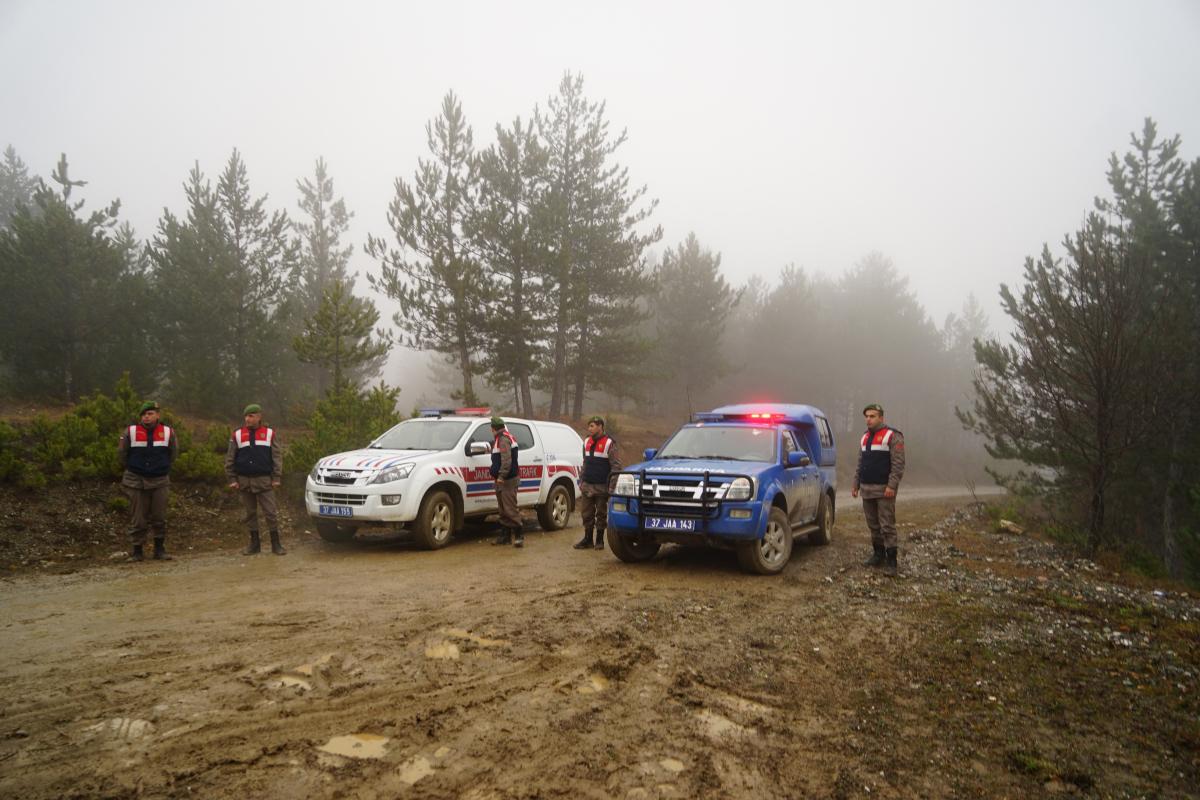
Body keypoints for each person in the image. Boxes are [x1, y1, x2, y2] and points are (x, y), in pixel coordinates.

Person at [118, 401, 179, 562]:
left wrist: (161, 468)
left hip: (160, 480)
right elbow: (122, 454)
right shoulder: (130, 431)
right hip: (135, 480)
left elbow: (173, 454)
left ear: (158, 415)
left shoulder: (167, 432)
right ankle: (137, 551)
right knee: (138, 518)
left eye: (150, 413)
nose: (146, 416)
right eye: (144, 414)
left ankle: (159, 549)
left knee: (159, 517)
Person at [851, 403, 906, 576]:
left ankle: (892, 562)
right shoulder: (864, 437)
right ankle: (878, 554)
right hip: (867, 489)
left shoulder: (893, 436)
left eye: (872, 416)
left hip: (884, 490)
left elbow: (898, 465)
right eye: (866, 416)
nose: (868, 419)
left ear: (881, 417)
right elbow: (861, 463)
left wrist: (892, 486)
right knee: (873, 525)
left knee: (887, 525)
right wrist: (855, 484)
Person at [225, 403, 285, 556]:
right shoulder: (237, 434)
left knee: (270, 513)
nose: (247, 419)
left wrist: (276, 477)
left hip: (264, 481)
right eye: (246, 416)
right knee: (250, 513)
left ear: (259, 417)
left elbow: (276, 456)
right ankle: (254, 544)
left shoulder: (270, 433)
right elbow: (230, 458)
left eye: (251, 416)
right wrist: (232, 478)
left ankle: (276, 544)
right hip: (244, 481)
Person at [575, 415, 622, 550]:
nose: (589, 428)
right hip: (587, 484)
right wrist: (581, 480)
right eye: (589, 426)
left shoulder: (609, 443)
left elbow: (616, 466)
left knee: (601, 514)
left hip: (602, 486)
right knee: (586, 513)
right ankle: (587, 539)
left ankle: (599, 540)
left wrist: (612, 487)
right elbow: (585, 463)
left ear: (600, 427)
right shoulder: (586, 442)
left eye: (592, 426)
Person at [489, 416, 524, 548]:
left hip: (507, 480)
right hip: (502, 479)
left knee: (510, 509)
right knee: (503, 510)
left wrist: (501, 476)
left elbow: (506, 460)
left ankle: (519, 534)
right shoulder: (502, 438)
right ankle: (505, 536)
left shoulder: (503, 439)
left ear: (493, 428)